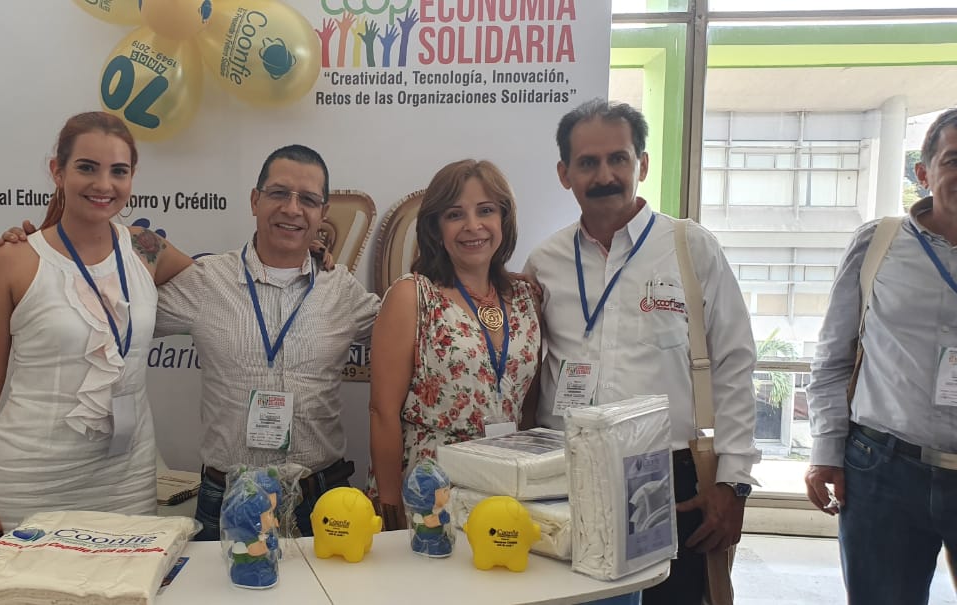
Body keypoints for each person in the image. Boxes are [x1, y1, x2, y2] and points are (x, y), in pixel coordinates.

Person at [525, 99, 758, 604]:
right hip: (566, 475)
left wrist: (733, 483)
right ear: (565, 174)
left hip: (671, 479)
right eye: (587, 162)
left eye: (619, 159)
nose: (605, 174)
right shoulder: (543, 263)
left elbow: (735, 363)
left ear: (642, 164)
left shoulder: (689, 248)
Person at [0, 112, 194, 545]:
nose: (104, 184)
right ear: (57, 171)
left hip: (126, 481)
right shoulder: (13, 261)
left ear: (132, 178)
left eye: (118, 171)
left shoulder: (146, 248)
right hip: (29, 480)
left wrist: (309, 253)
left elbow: (226, 287)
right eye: (87, 167)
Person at [154, 145, 381, 540]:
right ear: (255, 201)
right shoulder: (206, 281)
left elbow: (420, 328)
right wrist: (47, 245)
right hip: (228, 500)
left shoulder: (341, 289)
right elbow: (112, 299)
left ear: (322, 214)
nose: (293, 209)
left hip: (322, 503)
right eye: (279, 193)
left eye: (308, 199)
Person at [804, 107, 957, 605]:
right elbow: (833, 355)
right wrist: (826, 451)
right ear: (924, 173)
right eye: (954, 160)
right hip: (883, 469)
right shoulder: (879, 243)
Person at [366, 159, 542, 530]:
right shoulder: (412, 295)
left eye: (486, 211)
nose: (473, 226)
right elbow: (383, 412)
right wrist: (391, 505)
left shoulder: (527, 296)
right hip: (428, 492)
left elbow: (528, 405)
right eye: (455, 214)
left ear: (503, 220)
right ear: (435, 228)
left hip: (503, 490)